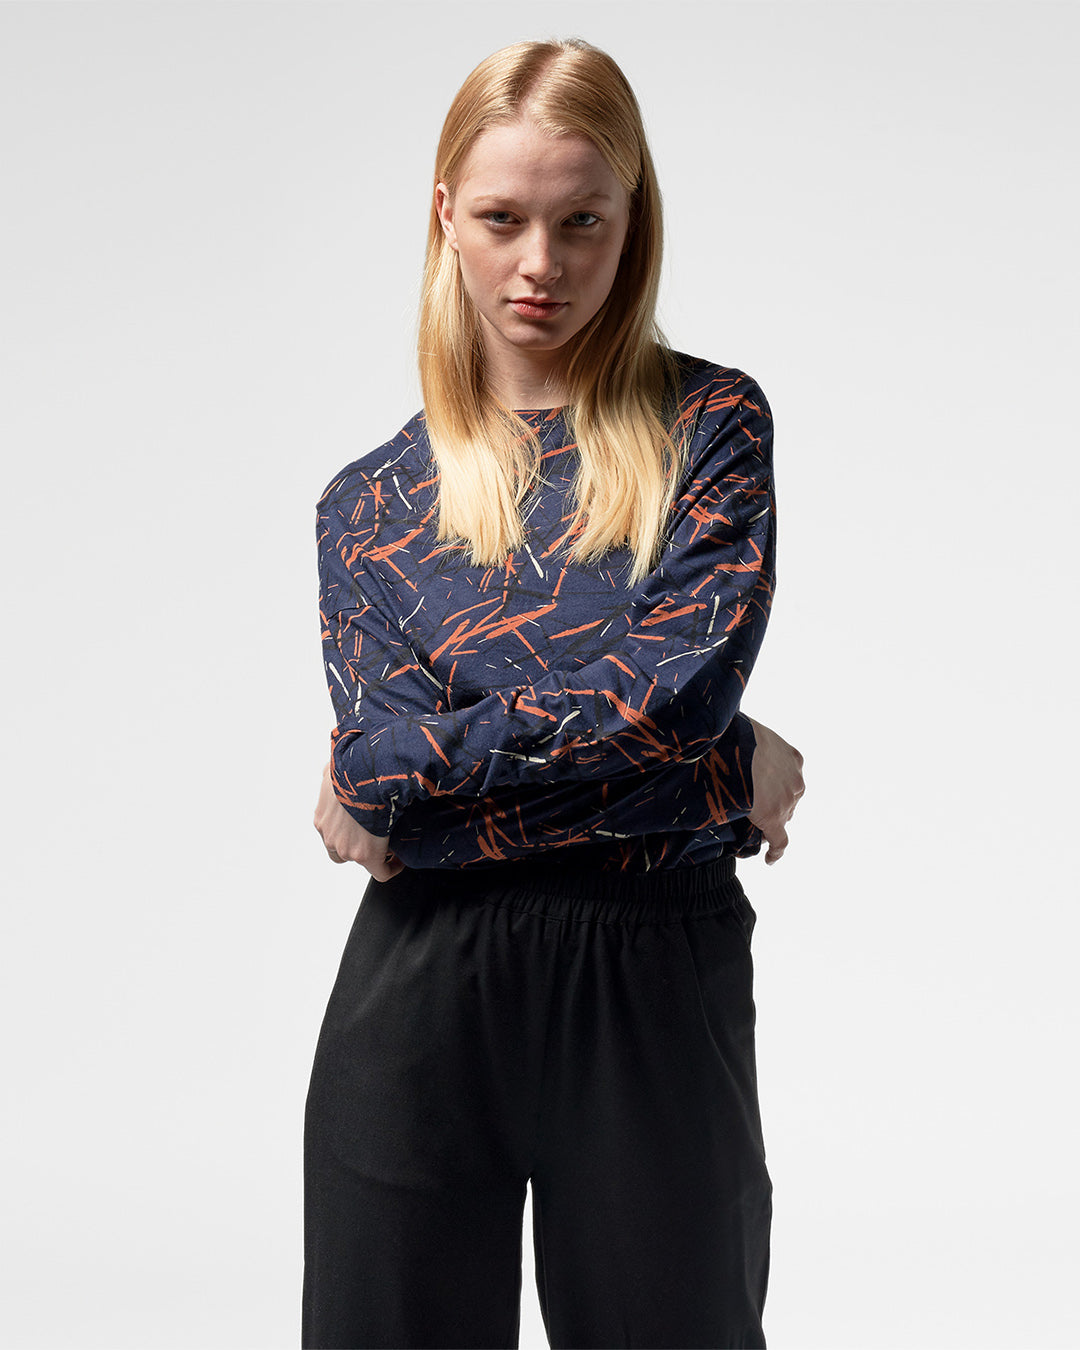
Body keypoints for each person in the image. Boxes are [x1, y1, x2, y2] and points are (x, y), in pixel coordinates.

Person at [304, 36, 804, 1350]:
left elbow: (664, 703)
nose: (543, 263)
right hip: (419, 979)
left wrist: (692, 738)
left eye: (582, 221)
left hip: (652, 971)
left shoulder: (713, 429)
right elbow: (382, 777)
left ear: (632, 219)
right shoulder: (368, 505)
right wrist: (718, 771)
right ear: (445, 216)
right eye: (503, 219)